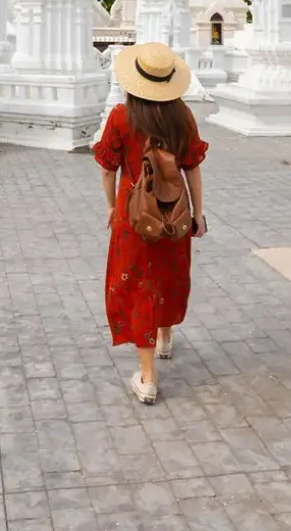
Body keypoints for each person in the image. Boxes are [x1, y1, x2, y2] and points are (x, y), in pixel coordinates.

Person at [93, 42, 208, 405]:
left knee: (138, 286)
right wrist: (198, 214)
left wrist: (111, 207)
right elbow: (193, 168)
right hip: (173, 212)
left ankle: (147, 377)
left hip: (134, 214)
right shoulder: (183, 117)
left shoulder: (121, 117)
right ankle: (165, 337)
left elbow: (107, 169)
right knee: (168, 275)